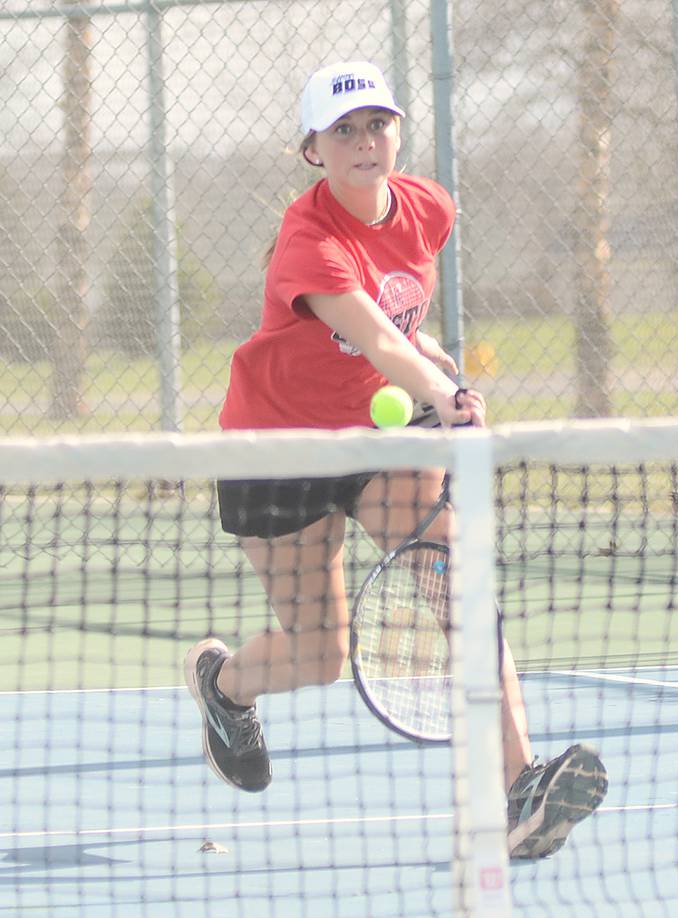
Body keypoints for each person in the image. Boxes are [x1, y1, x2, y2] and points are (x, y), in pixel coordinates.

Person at [185, 60, 607, 860]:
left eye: (377, 124)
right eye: (342, 130)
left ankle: (521, 789)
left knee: (460, 587)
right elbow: (375, 334)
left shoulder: (428, 208)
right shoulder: (307, 241)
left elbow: (404, 324)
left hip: (381, 440)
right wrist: (442, 391)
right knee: (318, 653)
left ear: (398, 132)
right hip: (278, 448)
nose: (364, 142)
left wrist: (442, 374)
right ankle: (222, 686)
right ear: (313, 149)